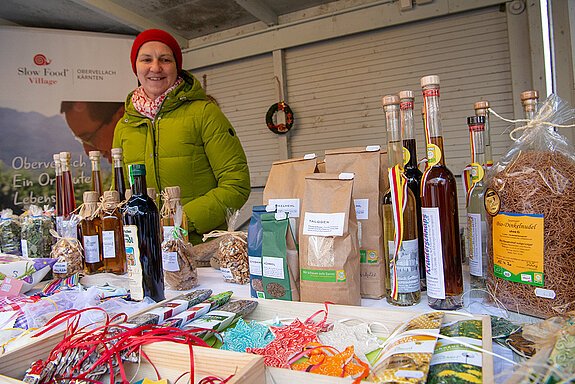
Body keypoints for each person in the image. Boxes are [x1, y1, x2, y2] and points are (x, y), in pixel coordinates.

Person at [113, 29, 251, 245]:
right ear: (135, 67)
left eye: (165, 59)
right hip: (145, 250)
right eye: (146, 59)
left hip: (200, 248)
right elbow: (121, 191)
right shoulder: (124, 125)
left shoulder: (205, 113)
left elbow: (236, 184)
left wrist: (181, 220)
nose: (155, 67)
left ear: (177, 66)